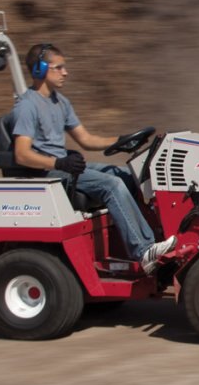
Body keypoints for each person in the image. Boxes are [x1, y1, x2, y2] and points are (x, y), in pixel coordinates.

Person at [10, 43, 175, 272]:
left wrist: (121, 140)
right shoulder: (27, 106)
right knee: (112, 184)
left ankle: (155, 237)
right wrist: (59, 162)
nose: (65, 72)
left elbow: (86, 139)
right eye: (59, 67)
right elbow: (21, 154)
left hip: (64, 167)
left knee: (128, 176)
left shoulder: (60, 102)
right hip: (47, 174)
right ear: (40, 69)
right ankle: (143, 250)